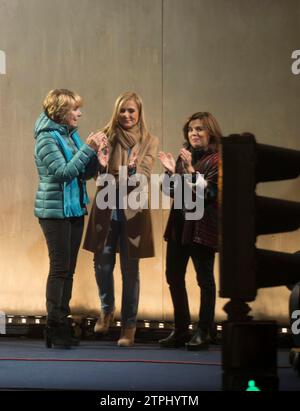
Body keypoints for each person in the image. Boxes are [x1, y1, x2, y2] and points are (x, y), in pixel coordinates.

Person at [83, 92, 159, 347]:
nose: (126, 115)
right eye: (122, 111)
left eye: (131, 111)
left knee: (130, 271)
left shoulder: (149, 141)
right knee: (102, 264)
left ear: (139, 114)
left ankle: (129, 326)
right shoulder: (106, 135)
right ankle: (107, 309)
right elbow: (96, 174)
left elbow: (144, 176)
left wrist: (131, 171)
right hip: (106, 210)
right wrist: (100, 164)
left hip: (133, 211)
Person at [34, 89, 103, 348]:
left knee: (69, 270)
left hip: (73, 209)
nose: (79, 113)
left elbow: (80, 173)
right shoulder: (46, 139)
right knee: (60, 268)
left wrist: (96, 158)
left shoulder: (70, 135)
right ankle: (54, 325)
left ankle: (62, 320)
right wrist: (88, 148)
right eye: (74, 109)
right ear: (61, 111)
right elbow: (62, 173)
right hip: (54, 212)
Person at [158, 112, 221, 350]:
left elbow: (209, 195)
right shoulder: (185, 156)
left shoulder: (217, 160)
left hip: (202, 226)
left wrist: (191, 172)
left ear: (210, 133)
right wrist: (170, 172)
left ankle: (204, 331)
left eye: (199, 129)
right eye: (191, 129)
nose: (194, 133)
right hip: (179, 226)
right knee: (174, 276)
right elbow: (170, 191)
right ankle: (182, 330)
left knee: (204, 280)